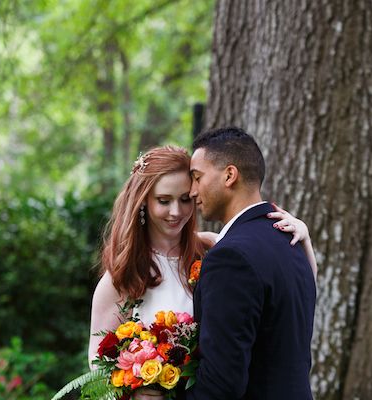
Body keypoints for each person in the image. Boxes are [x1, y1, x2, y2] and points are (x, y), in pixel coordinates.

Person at [88, 145, 316, 399]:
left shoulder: (213, 250)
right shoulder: (124, 275)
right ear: (143, 202)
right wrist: (132, 390)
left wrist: (303, 241)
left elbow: (294, 290)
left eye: (185, 199)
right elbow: (99, 366)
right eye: (164, 201)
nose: (176, 212)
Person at [186, 127, 317, 399]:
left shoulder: (230, 258)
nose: (191, 191)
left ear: (229, 175)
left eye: (197, 178)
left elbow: (222, 383)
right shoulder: (290, 240)